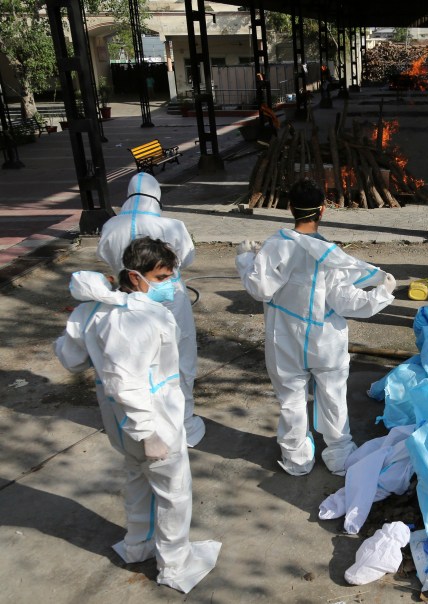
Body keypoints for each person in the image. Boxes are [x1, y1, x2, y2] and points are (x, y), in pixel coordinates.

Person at [54, 238, 221, 594]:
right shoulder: (134, 319)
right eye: (161, 276)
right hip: (151, 419)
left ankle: (138, 544)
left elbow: (70, 359)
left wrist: (84, 328)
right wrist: (149, 432)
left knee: (137, 480)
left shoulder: (93, 310)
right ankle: (174, 564)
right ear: (134, 275)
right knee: (173, 493)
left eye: (172, 275)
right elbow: (126, 383)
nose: (171, 283)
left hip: (118, 421)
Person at [235, 180, 396, 476]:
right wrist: (381, 293)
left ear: (289, 208)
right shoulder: (330, 255)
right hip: (326, 342)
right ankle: (339, 455)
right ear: (323, 210)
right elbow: (348, 302)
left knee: (291, 400)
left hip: (285, 340)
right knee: (333, 397)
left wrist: (246, 260)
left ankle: (297, 460)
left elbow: (259, 288)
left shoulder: (275, 247)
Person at [97, 172, 205, 447]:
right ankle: (184, 424)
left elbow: (105, 255)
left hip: (128, 299)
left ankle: (142, 421)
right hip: (170, 302)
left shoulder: (111, 225)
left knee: (135, 362)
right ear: (157, 196)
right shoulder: (173, 226)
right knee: (180, 361)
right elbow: (186, 258)